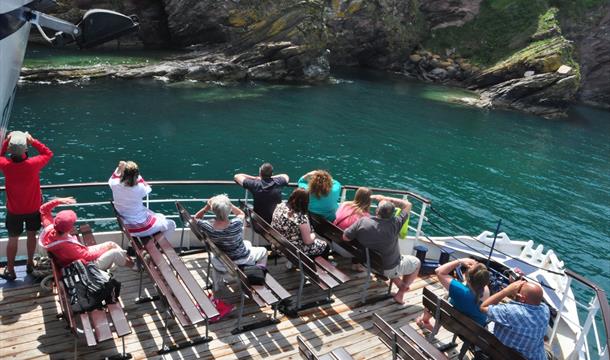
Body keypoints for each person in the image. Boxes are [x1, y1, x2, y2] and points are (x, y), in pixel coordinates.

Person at [342, 195, 420, 304]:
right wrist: (387, 198)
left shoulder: (363, 221)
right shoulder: (395, 223)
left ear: (377, 210)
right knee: (416, 262)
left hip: (367, 263)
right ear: (392, 214)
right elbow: (408, 205)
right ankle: (401, 293)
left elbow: (345, 237)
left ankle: (400, 285)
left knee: (391, 259)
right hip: (387, 267)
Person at [0, 131, 53, 281]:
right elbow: (48, 153)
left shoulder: (5, 165)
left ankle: (10, 269)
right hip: (33, 209)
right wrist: (33, 140)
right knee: (32, 235)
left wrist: (6, 142)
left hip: (14, 211)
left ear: (11, 150)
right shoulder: (33, 164)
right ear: (26, 149)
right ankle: (30, 263)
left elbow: (1, 156)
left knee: (12, 239)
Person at [38, 197, 135, 270]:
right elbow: (88, 256)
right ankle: (134, 266)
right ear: (69, 228)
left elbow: (43, 210)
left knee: (112, 244)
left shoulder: (51, 230)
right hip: (87, 266)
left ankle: (126, 261)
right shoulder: (67, 246)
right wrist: (105, 249)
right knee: (115, 252)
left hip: (81, 255)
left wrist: (59, 200)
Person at [480, 280, 550, 360]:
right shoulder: (545, 310)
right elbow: (535, 299)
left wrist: (507, 290)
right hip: (536, 356)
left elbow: (483, 307)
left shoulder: (509, 312)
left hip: (499, 355)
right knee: (546, 340)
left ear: (522, 298)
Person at [417, 258, 490, 330]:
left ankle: (424, 320)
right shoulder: (487, 292)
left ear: (468, 279)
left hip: (449, 324)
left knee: (442, 298)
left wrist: (460, 261)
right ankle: (425, 320)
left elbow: (439, 271)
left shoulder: (460, 290)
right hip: (470, 332)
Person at [195, 194, 267, 267]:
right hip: (241, 258)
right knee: (264, 250)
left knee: (247, 243)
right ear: (229, 209)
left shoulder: (207, 226)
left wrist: (206, 207)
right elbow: (241, 213)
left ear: (212, 210)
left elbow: (196, 218)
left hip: (222, 259)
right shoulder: (236, 223)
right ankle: (259, 270)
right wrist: (230, 205)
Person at [109, 161, 176, 238]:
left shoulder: (115, 184)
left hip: (126, 225)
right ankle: (157, 247)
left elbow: (113, 177)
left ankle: (136, 245)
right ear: (136, 175)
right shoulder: (139, 188)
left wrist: (120, 168)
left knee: (160, 216)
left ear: (124, 174)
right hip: (140, 228)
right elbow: (148, 187)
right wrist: (138, 175)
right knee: (171, 224)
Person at [271, 188, 329, 258]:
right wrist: (313, 235)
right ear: (305, 202)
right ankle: (312, 267)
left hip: (277, 245)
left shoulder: (280, 206)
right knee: (325, 246)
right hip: (292, 249)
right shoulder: (301, 218)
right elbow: (307, 241)